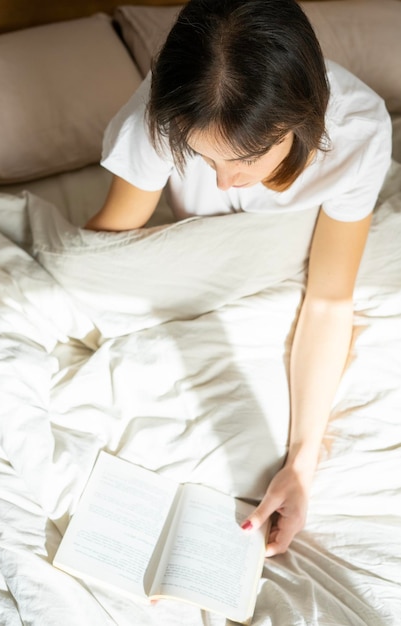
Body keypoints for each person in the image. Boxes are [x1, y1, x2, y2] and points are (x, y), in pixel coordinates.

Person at [86, 0, 391, 556]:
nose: (227, 183)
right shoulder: (160, 120)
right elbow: (106, 249)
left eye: (246, 158)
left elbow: (327, 300)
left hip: (291, 274)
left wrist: (302, 462)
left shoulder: (358, 132)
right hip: (209, 269)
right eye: (205, 161)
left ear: (304, 119)